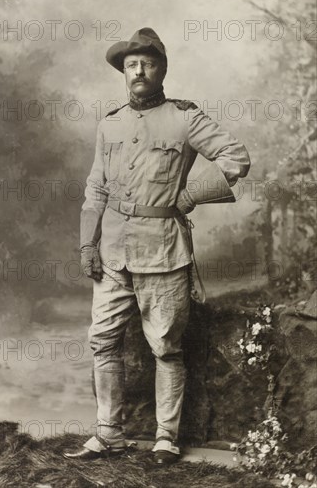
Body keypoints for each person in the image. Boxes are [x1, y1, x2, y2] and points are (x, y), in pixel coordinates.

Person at [64, 28, 250, 465]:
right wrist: (85, 244)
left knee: (165, 346)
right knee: (102, 341)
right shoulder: (109, 123)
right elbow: (96, 187)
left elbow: (236, 157)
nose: (139, 72)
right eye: (131, 65)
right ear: (123, 72)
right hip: (112, 253)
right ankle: (108, 433)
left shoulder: (184, 117)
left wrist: (189, 196)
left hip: (163, 253)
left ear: (162, 68)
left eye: (147, 63)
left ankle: (167, 437)